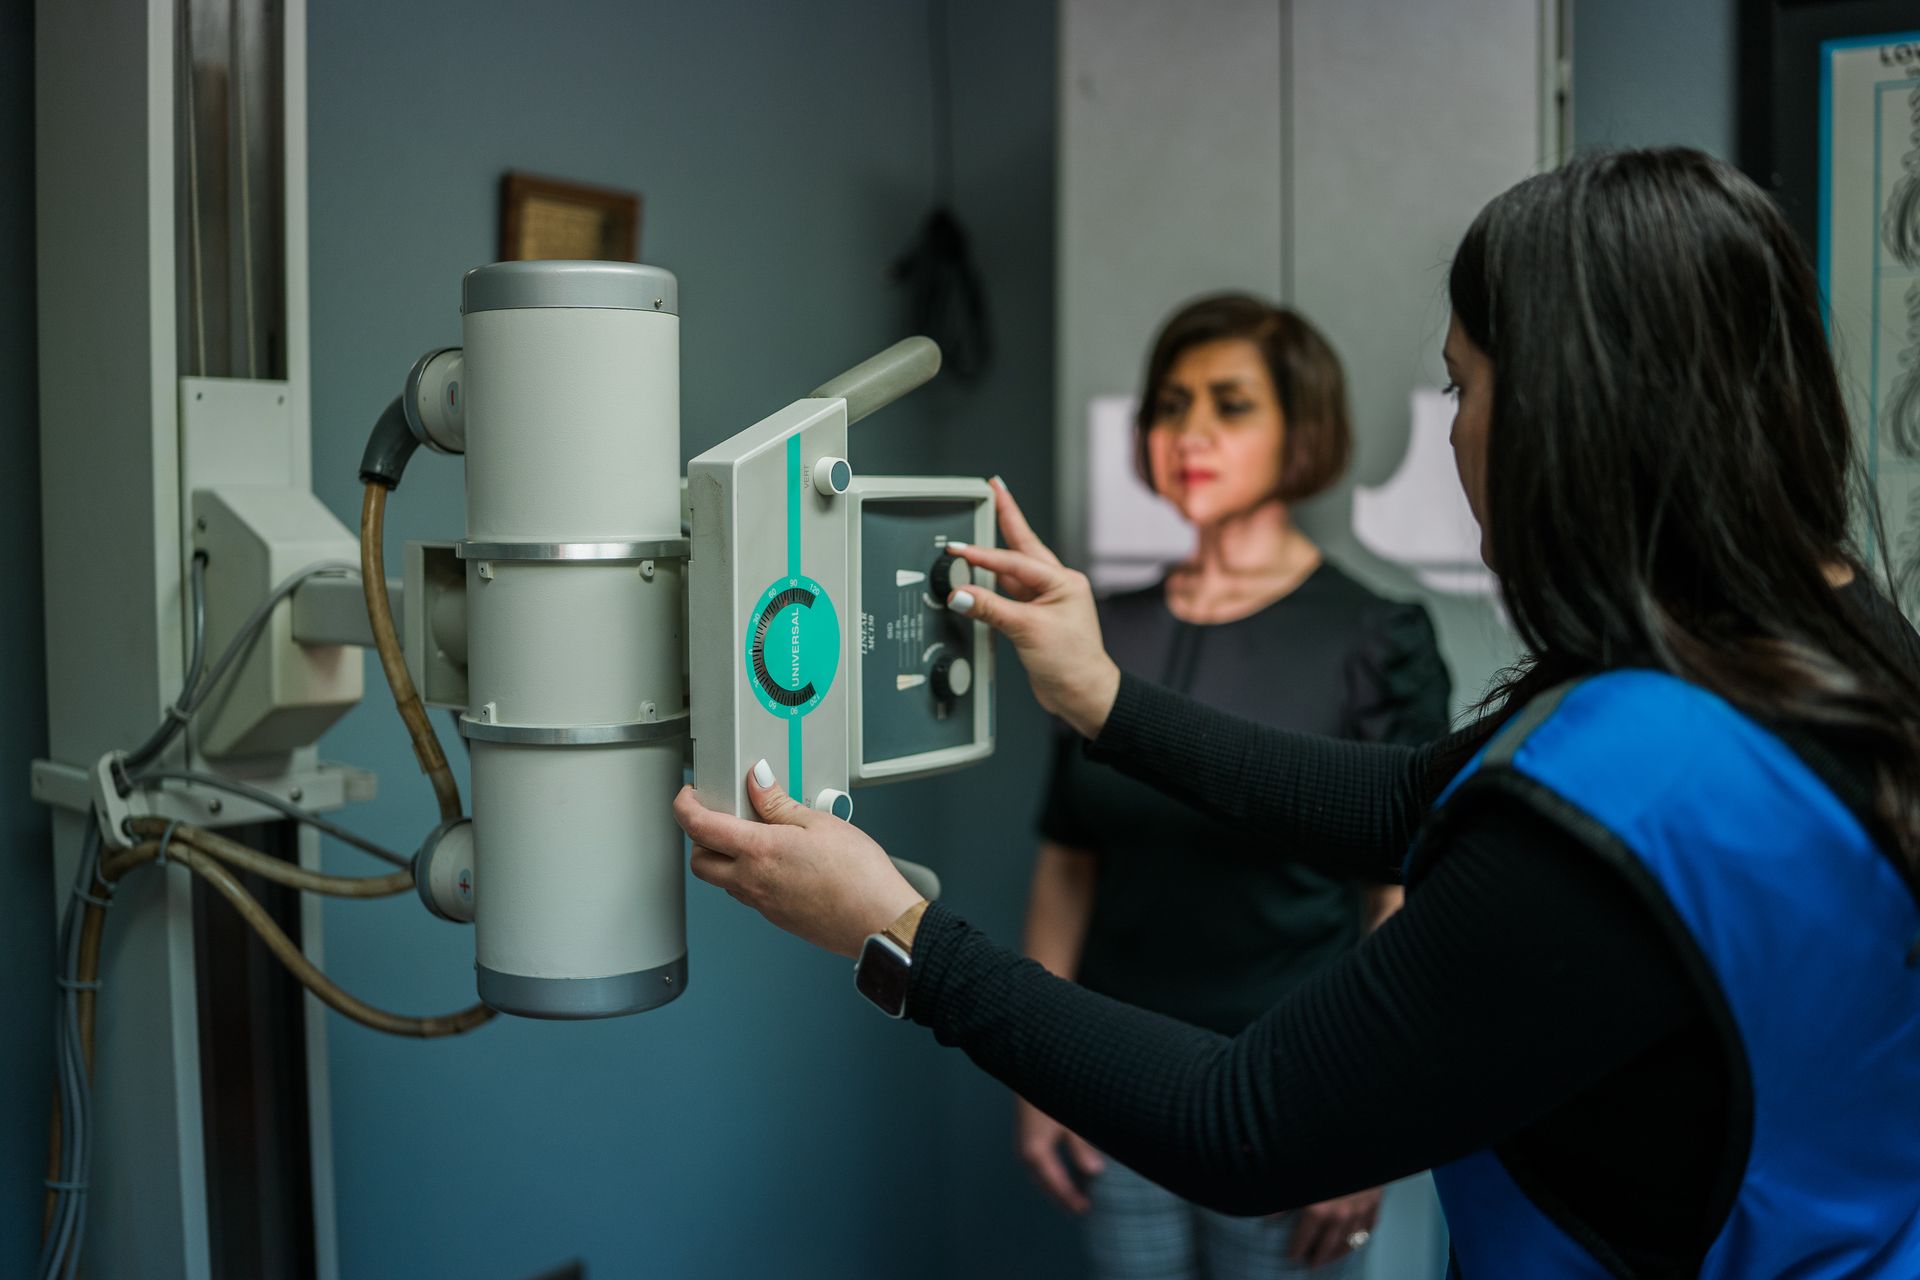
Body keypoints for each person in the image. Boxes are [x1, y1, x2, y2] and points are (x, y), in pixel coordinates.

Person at [673, 148, 1920, 1278]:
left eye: (1463, 388)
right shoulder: (1819, 642)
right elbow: (1402, 799)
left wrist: (894, 931)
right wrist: (1105, 697)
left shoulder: (1638, 788)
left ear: (1569, 407)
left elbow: (1247, 1120)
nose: (1456, 435)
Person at [1020, 293, 1449, 1276]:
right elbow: (1066, 862)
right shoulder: (1100, 631)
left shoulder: (1374, 635)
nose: (1190, 433)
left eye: (1230, 404)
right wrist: (1036, 1069)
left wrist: (1364, 1114)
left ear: (1304, 430)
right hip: (1113, 1076)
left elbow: (1403, 896)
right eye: (1170, 405)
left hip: (1293, 1089)